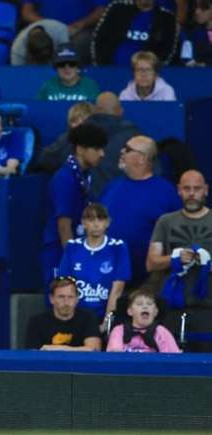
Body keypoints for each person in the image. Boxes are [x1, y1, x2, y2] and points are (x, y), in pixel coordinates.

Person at [101, 135, 181, 287]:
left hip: (148, 283)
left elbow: (177, 238)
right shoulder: (112, 187)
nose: (122, 152)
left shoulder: (166, 192)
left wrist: (159, 277)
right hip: (108, 278)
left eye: (128, 149)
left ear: (142, 159)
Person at [147, 170, 212, 351]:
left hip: (208, 308)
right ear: (179, 190)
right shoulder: (166, 221)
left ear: (206, 190)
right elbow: (151, 262)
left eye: (197, 189)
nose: (192, 193)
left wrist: (207, 262)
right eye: (187, 188)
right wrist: (174, 258)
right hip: (172, 306)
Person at [41, 123, 107, 286]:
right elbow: (64, 224)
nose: (102, 154)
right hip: (60, 253)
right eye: (97, 148)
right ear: (80, 149)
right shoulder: (65, 178)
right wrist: (72, 260)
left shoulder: (85, 175)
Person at [58, 203, 130, 328]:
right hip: (76, 317)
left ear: (108, 222)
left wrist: (106, 324)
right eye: (91, 220)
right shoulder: (72, 246)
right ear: (84, 223)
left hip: (104, 315)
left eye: (100, 219)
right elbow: (65, 286)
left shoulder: (118, 247)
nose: (96, 224)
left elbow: (117, 290)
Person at [25, 276, 102, 351]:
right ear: (51, 299)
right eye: (61, 297)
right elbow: (32, 355)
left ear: (77, 299)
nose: (66, 302)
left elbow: (94, 350)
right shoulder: (37, 322)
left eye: (70, 297)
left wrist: (58, 349)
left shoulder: (88, 318)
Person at [92, 0, 178, 66]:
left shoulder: (167, 18)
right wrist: (101, 67)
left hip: (146, 75)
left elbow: (168, 51)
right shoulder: (117, 8)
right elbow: (99, 40)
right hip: (111, 69)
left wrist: (155, 72)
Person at [22, 0, 107, 65]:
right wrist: (48, 25)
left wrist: (82, 24)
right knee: (36, 43)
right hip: (46, 30)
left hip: (80, 31)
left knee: (79, 44)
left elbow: (102, 10)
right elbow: (26, 12)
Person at [106, 288, 181, 352]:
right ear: (130, 311)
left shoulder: (162, 332)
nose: (145, 307)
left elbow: (172, 359)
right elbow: (115, 356)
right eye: (139, 304)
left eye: (149, 304)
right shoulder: (119, 330)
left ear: (156, 312)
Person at [35, 102, 96, 173]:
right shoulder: (66, 139)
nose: (79, 125)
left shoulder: (105, 142)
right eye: (75, 121)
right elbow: (43, 158)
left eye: (84, 121)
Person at [185, 0, 212, 66]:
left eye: (204, 8)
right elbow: (187, 59)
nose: (197, 12)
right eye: (196, 7)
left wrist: (206, 63)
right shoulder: (190, 32)